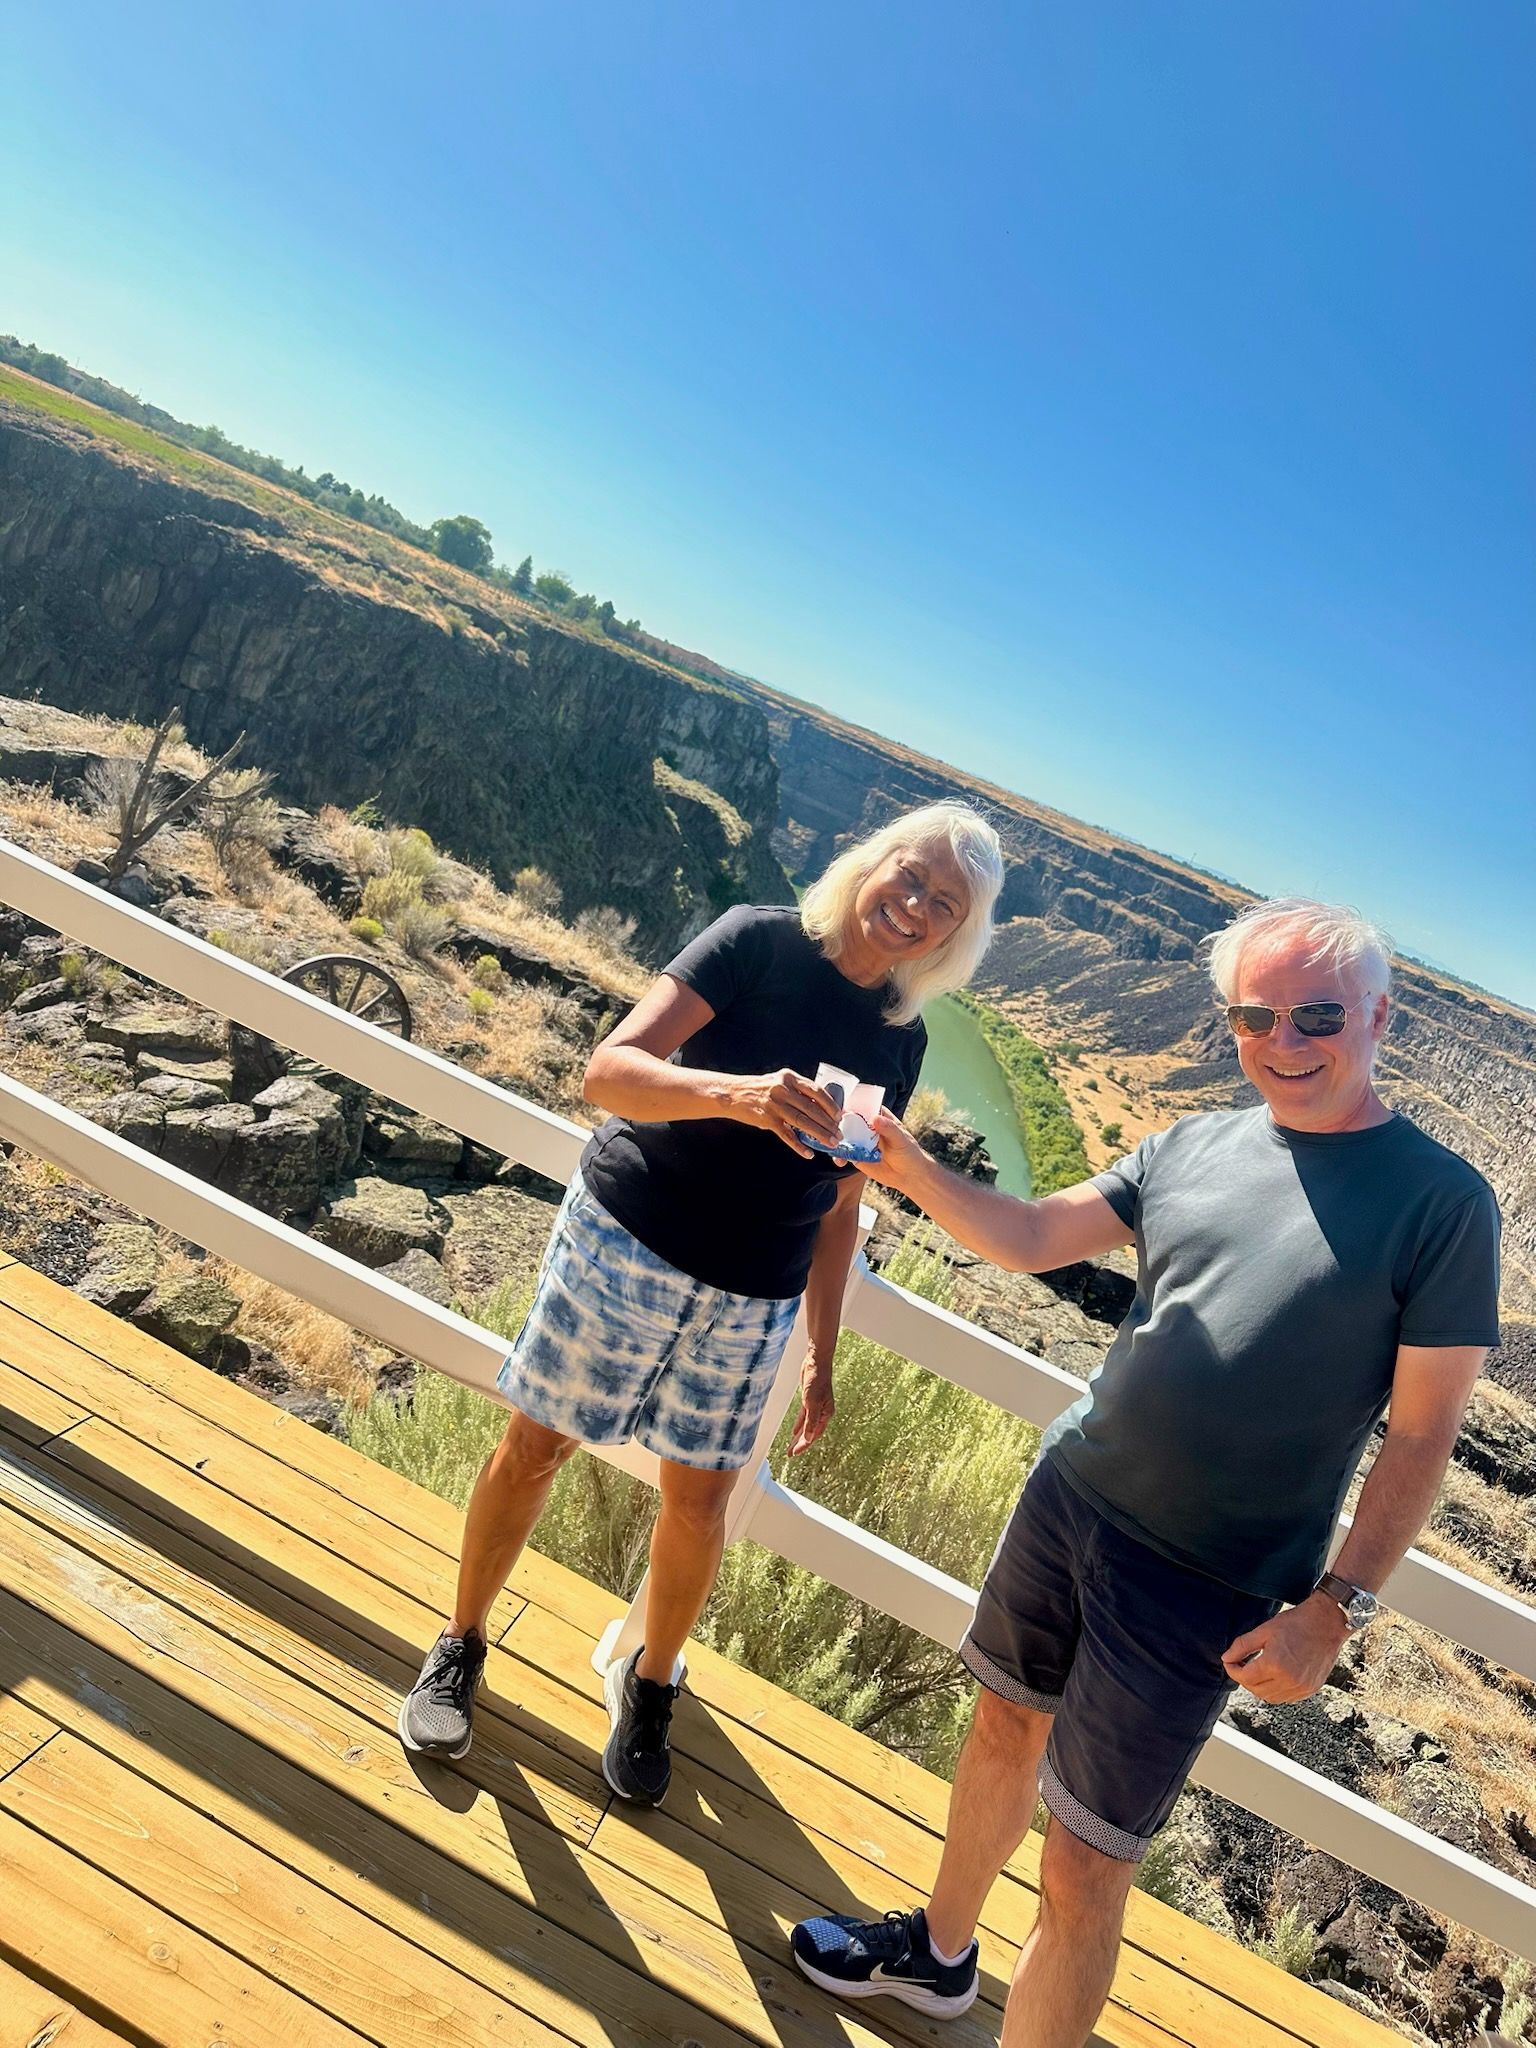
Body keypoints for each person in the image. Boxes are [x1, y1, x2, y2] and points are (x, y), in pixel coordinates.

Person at [790, 896, 1501, 2044]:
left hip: (1205, 1573)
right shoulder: (1192, 1144)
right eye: (1254, 1014)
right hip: (1074, 1493)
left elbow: (1420, 1435)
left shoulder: (1444, 1204)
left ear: (1380, 1012)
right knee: (999, 1731)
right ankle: (938, 1952)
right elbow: (1026, 1237)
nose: (1285, 1038)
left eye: (1318, 1011)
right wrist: (893, 1152)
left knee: (1085, 1865)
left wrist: (1337, 1606)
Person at [399, 800, 1005, 1806]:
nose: (914, 904)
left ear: (955, 936)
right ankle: (458, 1642)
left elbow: (842, 1203)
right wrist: (739, 1093)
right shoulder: (759, 941)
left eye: (943, 903)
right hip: (630, 1237)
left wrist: (822, 1349)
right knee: (537, 1444)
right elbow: (607, 1072)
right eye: (909, 874)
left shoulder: (904, 1038)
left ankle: (649, 1681)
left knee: (702, 1502)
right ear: (871, 862)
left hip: (755, 1292)